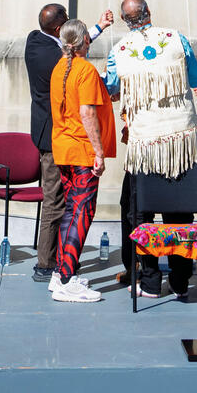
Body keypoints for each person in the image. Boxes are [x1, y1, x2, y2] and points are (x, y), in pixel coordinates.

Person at [105, 0, 197, 299]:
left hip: (144, 145)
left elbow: (112, 89)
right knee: (180, 212)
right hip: (180, 142)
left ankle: (149, 280)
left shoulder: (118, 51)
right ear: (149, 13)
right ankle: (180, 279)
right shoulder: (177, 39)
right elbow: (196, 78)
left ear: (125, 20)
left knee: (141, 213)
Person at [24, 1, 113, 282]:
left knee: (67, 204)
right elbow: (74, 66)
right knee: (58, 202)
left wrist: (98, 27)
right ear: (60, 29)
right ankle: (47, 265)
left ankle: (61, 262)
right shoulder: (57, 60)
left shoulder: (35, 40)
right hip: (60, 138)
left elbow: (71, 47)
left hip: (58, 137)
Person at [48, 19, 117, 303]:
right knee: (81, 213)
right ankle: (66, 278)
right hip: (81, 151)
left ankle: (60, 273)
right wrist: (99, 152)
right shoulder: (85, 69)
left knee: (71, 212)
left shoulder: (60, 67)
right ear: (84, 41)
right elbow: (87, 113)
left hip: (64, 148)